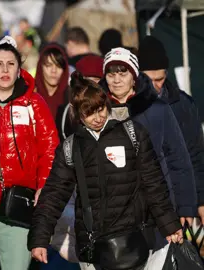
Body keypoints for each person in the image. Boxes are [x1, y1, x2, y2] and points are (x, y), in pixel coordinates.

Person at [29, 72, 183, 270]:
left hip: (135, 236)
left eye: (100, 109)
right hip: (94, 245)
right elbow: (53, 195)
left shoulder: (132, 133)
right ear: (78, 114)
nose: (97, 117)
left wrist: (170, 225)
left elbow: (153, 182)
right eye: (88, 113)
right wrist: (39, 239)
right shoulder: (71, 148)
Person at [0, 36, 59, 270]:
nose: (5, 69)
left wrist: (44, 186)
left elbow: (49, 147)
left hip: (19, 202)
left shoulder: (34, 104)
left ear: (20, 69)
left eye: (11, 64)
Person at [101, 48, 196, 246]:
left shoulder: (157, 109)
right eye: (111, 73)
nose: (117, 80)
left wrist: (186, 206)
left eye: (123, 73)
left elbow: (178, 158)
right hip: (113, 210)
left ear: (134, 76)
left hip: (157, 208)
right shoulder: (96, 110)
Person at [139, 36, 204, 222]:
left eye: (159, 79)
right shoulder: (129, 105)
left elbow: (195, 156)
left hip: (177, 202)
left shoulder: (183, 105)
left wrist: (199, 201)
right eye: (148, 80)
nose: (154, 86)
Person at [35, 43, 70, 120]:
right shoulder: (29, 95)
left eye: (58, 66)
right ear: (41, 68)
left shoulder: (71, 98)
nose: (54, 70)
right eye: (49, 65)